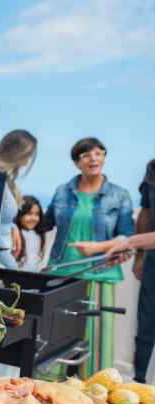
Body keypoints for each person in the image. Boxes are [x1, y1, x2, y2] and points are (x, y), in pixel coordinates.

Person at [43, 137, 134, 378]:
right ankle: (50, 386)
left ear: (104, 158)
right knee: (56, 336)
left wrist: (97, 248)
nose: (94, 158)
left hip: (100, 273)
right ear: (77, 162)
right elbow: (44, 223)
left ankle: (93, 387)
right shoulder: (62, 191)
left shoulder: (120, 195)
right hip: (62, 272)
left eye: (99, 153)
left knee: (96, 341)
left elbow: (127, 237)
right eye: (86, 155)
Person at [73, 159, 155, 382]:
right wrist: (132, 246)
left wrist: (128, 242)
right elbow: (146, 214)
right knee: (147, 323)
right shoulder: (152, 169)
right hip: (151, 257)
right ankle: (141, 380)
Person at [0, 130, 38, 270]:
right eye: (28, 153)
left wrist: (13, 226)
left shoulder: (5, 176)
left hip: (1, 259)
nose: (29, 159)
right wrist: (12, 266)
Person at [15, 196, 47, 272]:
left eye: (37, 214)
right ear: (19, 214)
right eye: (29, 214)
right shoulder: (14, 234)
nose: (33, 218)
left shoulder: (39, 234)